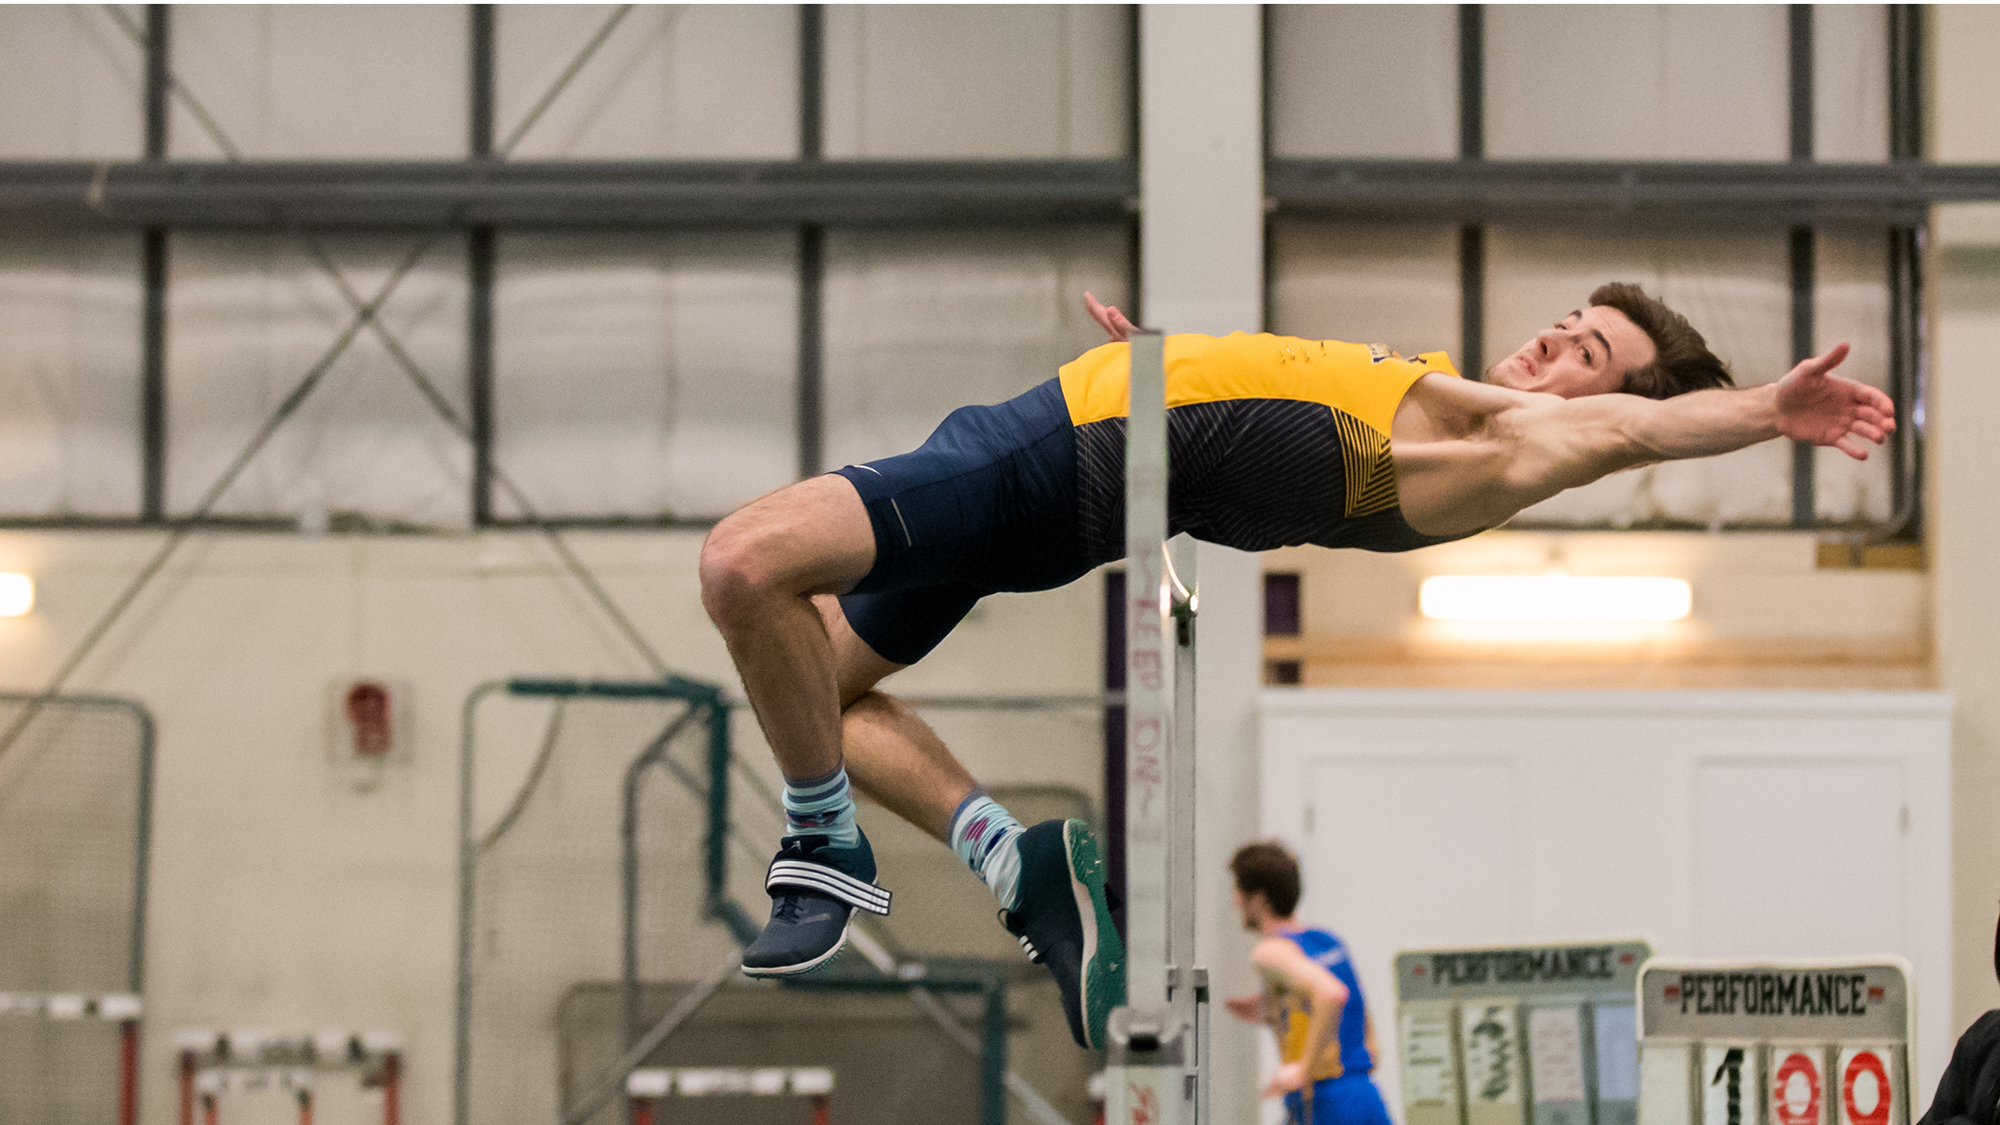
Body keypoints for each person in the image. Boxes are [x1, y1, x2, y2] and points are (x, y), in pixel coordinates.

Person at [698, 282, 1895, 1051]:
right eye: (1565, 318)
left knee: (745, 567)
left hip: (1051, 453)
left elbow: (1634, 428)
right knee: (818, 686)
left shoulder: (1514, 444)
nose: (1551, 341)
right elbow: (1258, 412)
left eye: (1585, 350)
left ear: (1604, 407)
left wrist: (1754, 413)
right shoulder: (1437, 399)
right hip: (1093, 454)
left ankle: (821, 849)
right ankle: (1014, 861)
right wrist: (1173, 358)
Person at [1228, 841, 1393, 1125]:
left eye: (1239, 892)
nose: (1236, 901)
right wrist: (1266, 1009)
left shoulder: (1271, 951)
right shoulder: (1328, 941)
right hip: (1365, 1097)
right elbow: (1356, 1012)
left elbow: (1331, 994)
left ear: (1259, 899)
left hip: (1325, 1101)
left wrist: (1302, 1070)